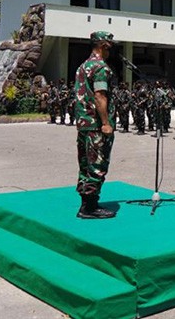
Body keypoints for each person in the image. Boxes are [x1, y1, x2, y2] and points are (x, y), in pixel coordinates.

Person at [73, 31, 118, 219]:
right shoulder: (100, 67)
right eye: (109, 46)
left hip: (84, 124)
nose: (111, 50)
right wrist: (106, 123)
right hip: (96, 126)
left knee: (85, 164)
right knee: (97, 164)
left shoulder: (83, 66)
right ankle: (90, 208)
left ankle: (86, 204)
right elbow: (100, 95)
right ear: (103, 46)